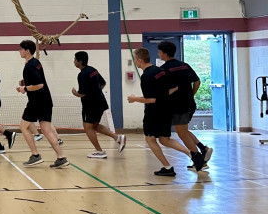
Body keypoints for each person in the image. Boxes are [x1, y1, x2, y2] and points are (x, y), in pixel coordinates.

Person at [128, 47, 192, 176]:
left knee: (150, 139)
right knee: (164, 139)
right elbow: (172, 89)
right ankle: (193, 154)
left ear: (140, 60)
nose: (135, 62)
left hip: (154, 112)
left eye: (135, 59)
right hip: (167, 109)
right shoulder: (161, 70)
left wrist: (134, 99)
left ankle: (167, 168)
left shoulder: (146, 76)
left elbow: (151, 100)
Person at [158, 41, 212, 171]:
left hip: (178, 106)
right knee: (183, 130)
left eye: (159, 52)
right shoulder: (185, 65)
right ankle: (202, 148)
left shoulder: (164, 69)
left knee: (181, 133)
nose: (159, 54)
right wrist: (191, 94)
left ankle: (199, 162)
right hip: (189, 104)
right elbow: (197, 81)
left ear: (164, 54)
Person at [17, 40, 69, 168]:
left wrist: (25, 89)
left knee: (23, 127)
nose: (19, 51)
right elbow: (37, 78)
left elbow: (39, 85)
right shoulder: (36, 62)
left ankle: (35, 155)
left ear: (27, 51)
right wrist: (25, 81)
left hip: (36, 102)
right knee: (46, 130)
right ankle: (61, 157)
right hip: (46, 100)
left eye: (21, 49)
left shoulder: (29, 66)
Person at [71, 51, 126, 158]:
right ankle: (117, 138)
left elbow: (82, 94)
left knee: (87, 127)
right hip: (100, 102)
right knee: (94, 126)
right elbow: (103, 83)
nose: (74, 61)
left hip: (90, 105)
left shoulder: (82, 74)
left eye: (75, 59)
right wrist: (95, 92)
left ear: (80, 61)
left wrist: (75, 93)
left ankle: (99, 151)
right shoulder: (93, 70)